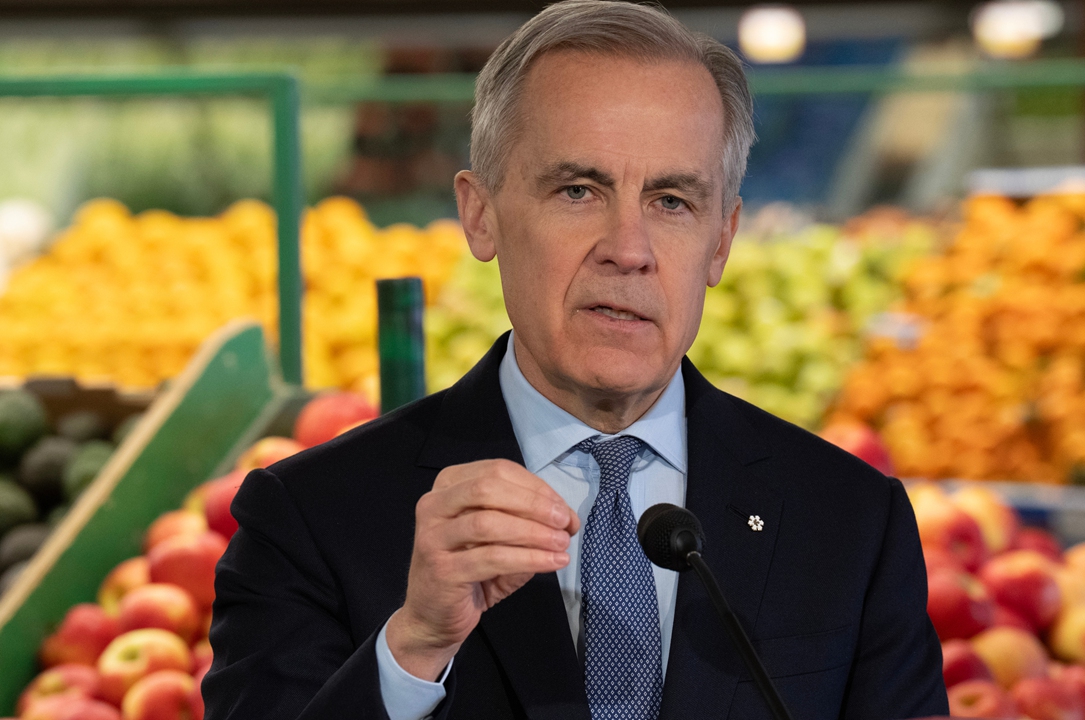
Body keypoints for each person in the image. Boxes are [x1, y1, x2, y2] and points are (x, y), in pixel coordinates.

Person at [203, 1, 948, 718]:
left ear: (721, 241)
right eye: (579, 190)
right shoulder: (305, 518)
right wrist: (413, 649)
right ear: (480, 214)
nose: (628, 251)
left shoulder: (851, 521)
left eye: (672, 203)